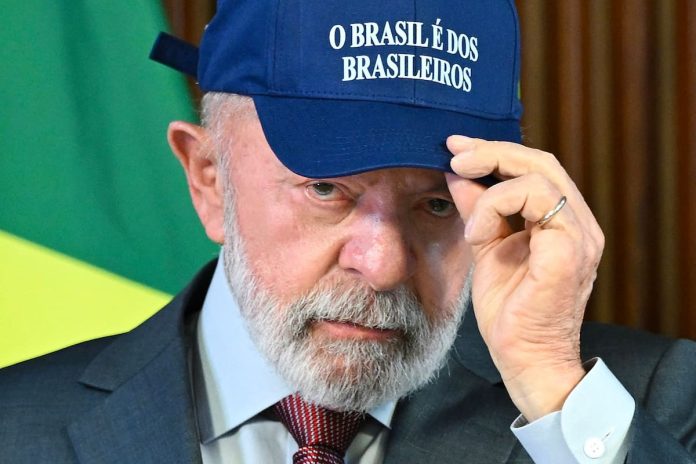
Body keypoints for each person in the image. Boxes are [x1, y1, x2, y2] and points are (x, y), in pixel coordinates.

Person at [1, 0, 694, 463]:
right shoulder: (15, 429)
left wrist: (554, 393)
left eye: (438, 205)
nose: (384, 265)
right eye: (326, 190)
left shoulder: (637, 406)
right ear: (209, 179)